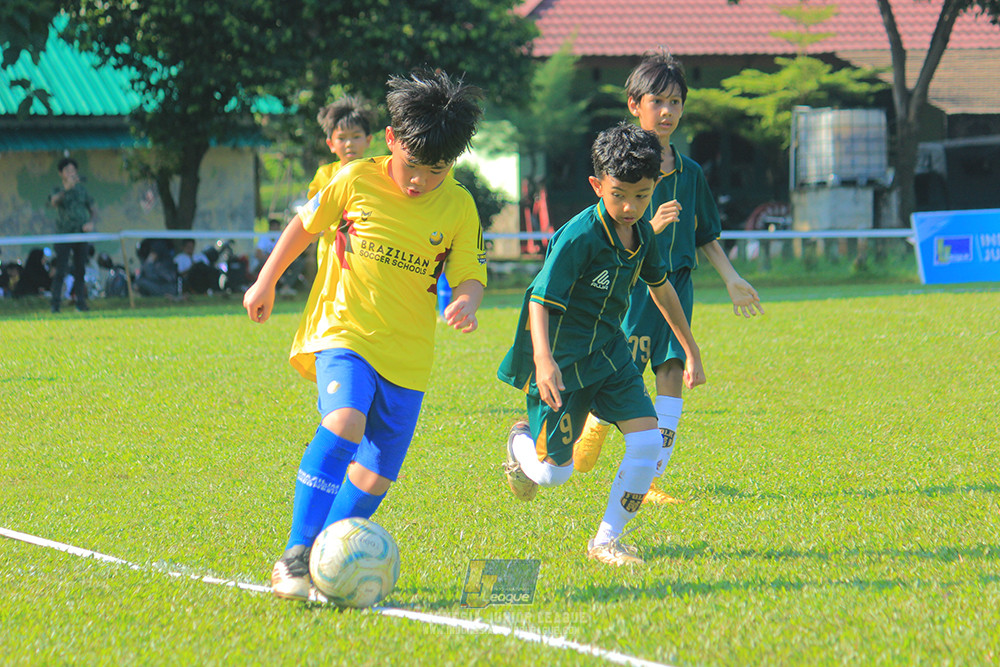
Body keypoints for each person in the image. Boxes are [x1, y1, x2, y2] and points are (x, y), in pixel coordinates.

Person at [242, 69, 487, 601]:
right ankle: (297, 554)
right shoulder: (353, 179)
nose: (421, 180)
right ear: (392, 141)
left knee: (375, 475)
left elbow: (469, 271)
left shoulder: (460, 206)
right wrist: (266, 280)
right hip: (345, 332)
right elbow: (305, 227)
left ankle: (330, 558)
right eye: (412, 166)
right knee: (345, 420)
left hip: (409, 356)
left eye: (438, 169)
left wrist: (466, 299)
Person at [498, 123, 706, 566]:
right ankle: (519, 441)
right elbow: (539, 298)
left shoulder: (644, 236)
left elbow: (661, 287)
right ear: (597, 185)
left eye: (642, 195)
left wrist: (690, 347)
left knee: (647, 443)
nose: (630, 207)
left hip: (611, 355)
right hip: (564, 362)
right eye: (619, 195)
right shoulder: (579, 236)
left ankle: (605, 542)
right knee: (553, 474)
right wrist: (544, 361)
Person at [572, 53, 764, 505]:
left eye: (675, 102)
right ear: (634, 104)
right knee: (624, 371)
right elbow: (604, 235)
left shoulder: (692, 172)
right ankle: (595, 420)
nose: (667, 111)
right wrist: (648, 229)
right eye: (657, 100)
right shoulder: (623, 167)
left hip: (679, 286)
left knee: (673, 371)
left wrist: (733, 279)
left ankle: (650, 479)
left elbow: (706, 236)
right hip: (636, 288)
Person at [48, 157, 96, 312]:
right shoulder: (58, 190)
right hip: (64, 235)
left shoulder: (82, 190)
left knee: (80, 269)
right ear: (61, 173)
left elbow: (92, 209)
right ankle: (55, 304)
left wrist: (90, 222)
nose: (71, 173)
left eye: (73, 170)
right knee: (61, 270)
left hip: (81, 235)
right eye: (67, 171)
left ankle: (80, 302)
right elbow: (54, 202)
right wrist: (67, 188)